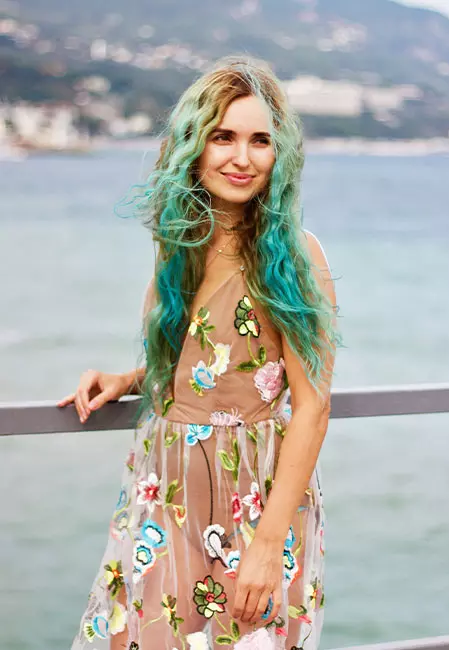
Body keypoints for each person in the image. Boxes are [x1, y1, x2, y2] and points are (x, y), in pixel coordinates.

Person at [59, 55, 342, 650]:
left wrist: (268, 545)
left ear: (280, 153)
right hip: (164, 495)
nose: (242, 158)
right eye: (224, 137)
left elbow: (312, 407)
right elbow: (211, 356)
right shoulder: (179, 238)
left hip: (254, 502)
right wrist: (136, 378)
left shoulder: (294, 255)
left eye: (260, 140)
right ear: (194, 142)